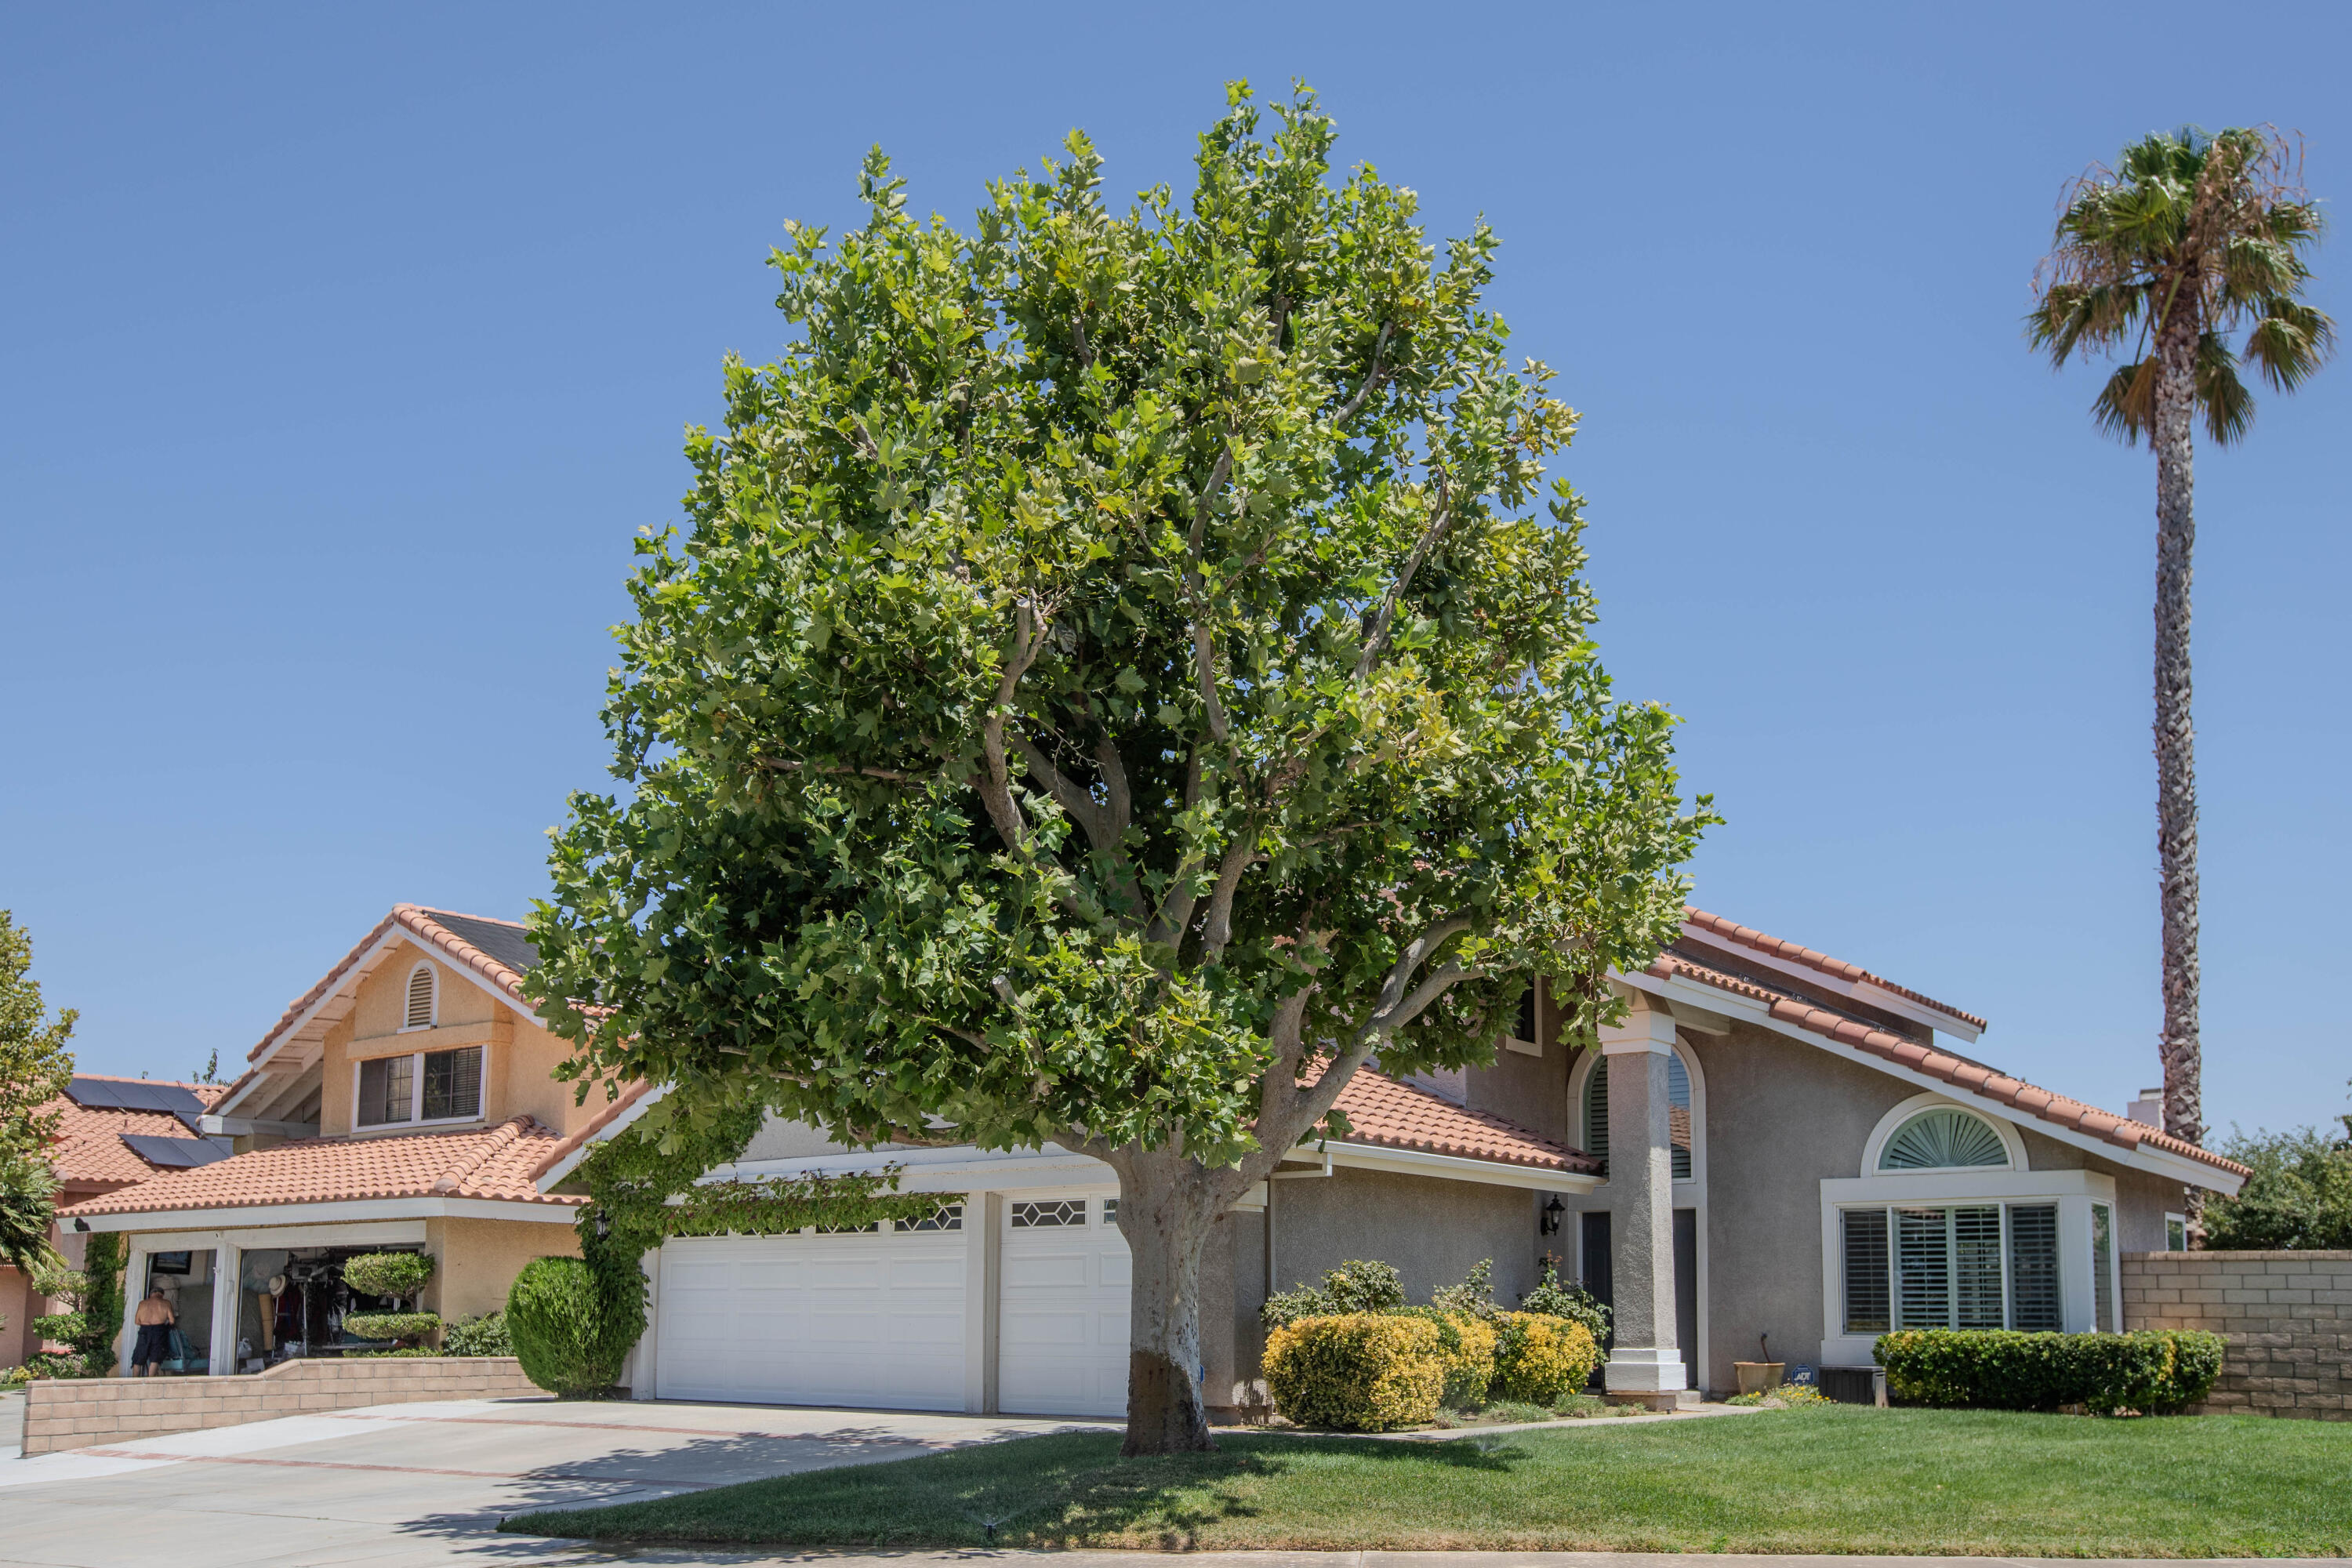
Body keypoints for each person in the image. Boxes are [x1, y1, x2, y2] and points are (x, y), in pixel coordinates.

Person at [132, 1288, 176, 1377]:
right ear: (162, 1295)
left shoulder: (142, 1304)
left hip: (144, 1330)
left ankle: (134, 1380)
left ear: (151, 1294)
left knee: (138, 1357)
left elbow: (137, 1321)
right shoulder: (166, 1303)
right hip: (159, 1331)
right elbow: (172, 1320)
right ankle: (150, 1380)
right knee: (155, 1358)